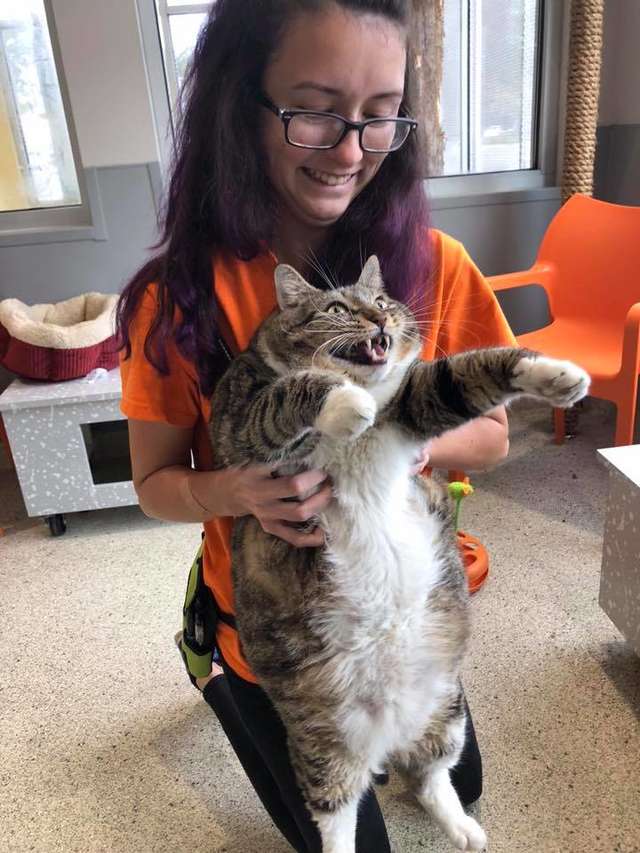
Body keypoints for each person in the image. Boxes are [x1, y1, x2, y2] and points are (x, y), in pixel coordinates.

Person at [117, 1, 516, 850]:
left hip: (397, 603)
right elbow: (152, 485)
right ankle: (212, 656)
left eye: (380, 118)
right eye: (315, 112)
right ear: (242, 103)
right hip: (286, 629)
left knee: (458, 778)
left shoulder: (433, 267)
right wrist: (236, 490)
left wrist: (405, 437)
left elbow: (493, 437)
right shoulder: (177, 298)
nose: (349, 152)